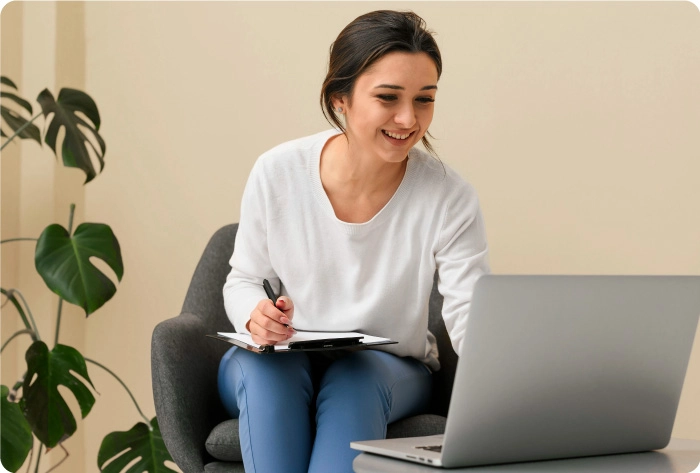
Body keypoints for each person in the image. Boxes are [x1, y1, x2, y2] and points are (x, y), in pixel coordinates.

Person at [219, 10, 489, 473]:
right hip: (278, 361)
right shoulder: (277, 172)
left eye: (424, 99)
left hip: (385, 369)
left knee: (355, 380)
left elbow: (469, 314)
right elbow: (243, 279)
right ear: (339, 98)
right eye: (388, 97)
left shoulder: (449, 195)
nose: (408, 119)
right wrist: (256, 316)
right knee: (269, 374)